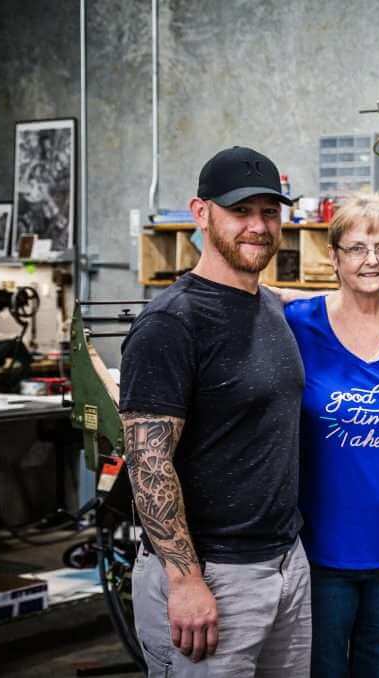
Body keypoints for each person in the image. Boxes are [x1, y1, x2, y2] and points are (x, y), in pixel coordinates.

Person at [120, 146, 311, 677]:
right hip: (212, 576)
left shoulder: (270, 305)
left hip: (284, 564)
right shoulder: (171, 323)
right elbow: (148, 463)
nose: (258, 226)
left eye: (269, 212)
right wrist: (184, 581)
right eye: (240, 211)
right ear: (201, 213)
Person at [283, 192, 379, 677]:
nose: (371, 260)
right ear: (334, 256)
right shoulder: (298, 325)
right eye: (356, 247)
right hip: (318, 555)